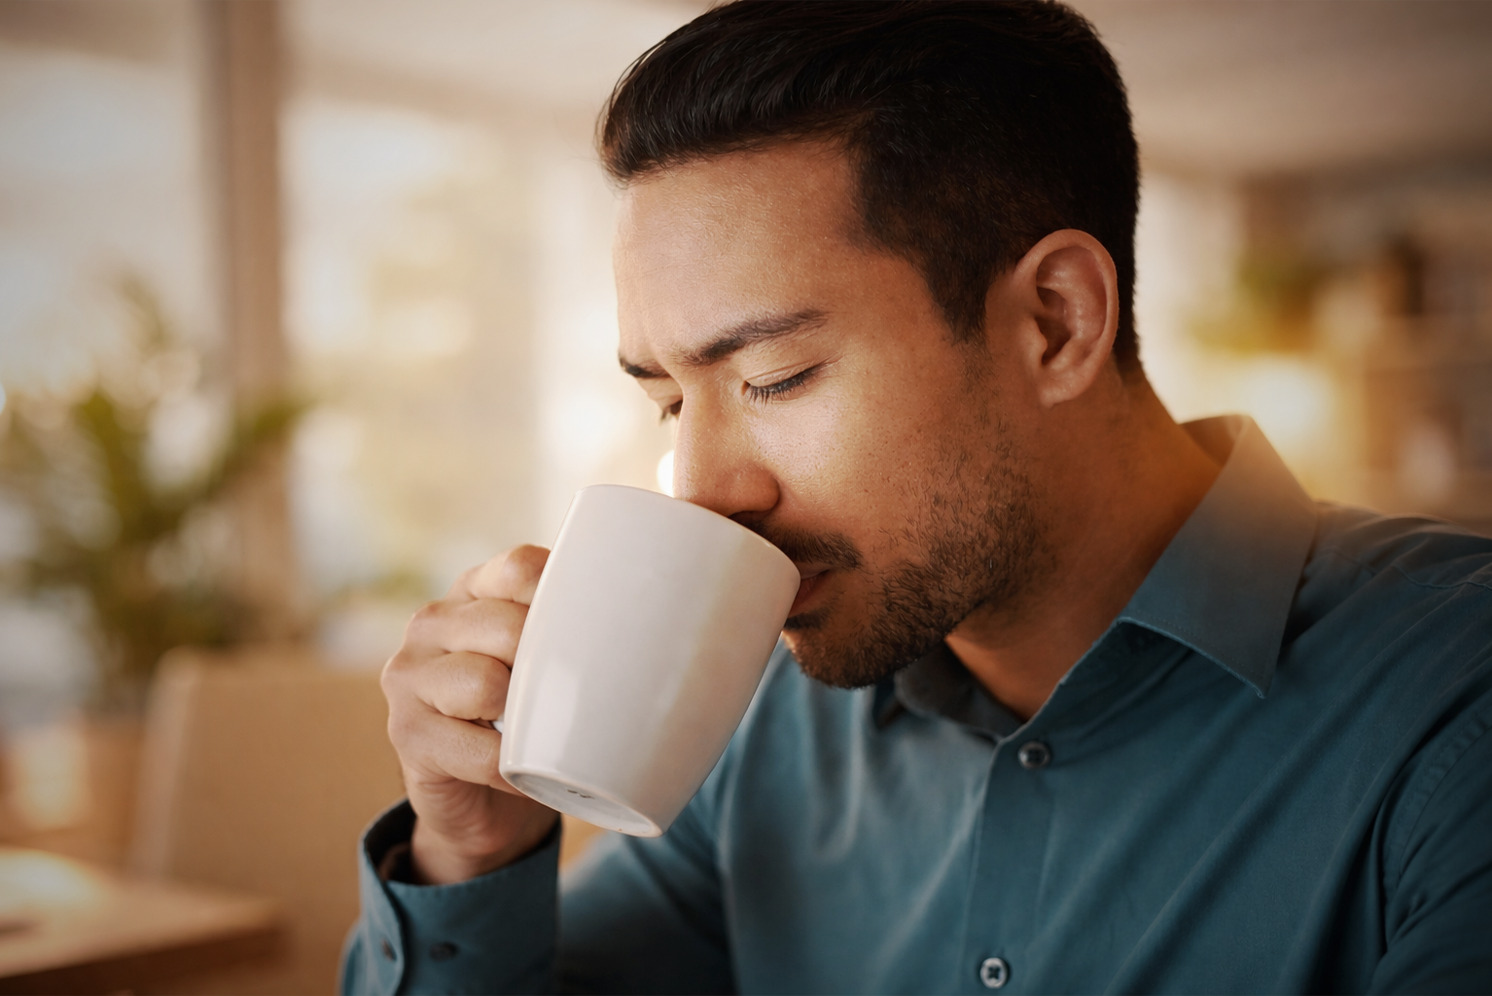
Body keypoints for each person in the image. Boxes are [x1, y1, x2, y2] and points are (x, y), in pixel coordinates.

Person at [342, 2, 1492, 993]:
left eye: (774, 377)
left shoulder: (1452, 702)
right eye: (668, 403)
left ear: (1055, 322)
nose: (700, 487)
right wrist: (469, 854)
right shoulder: (768, 728)